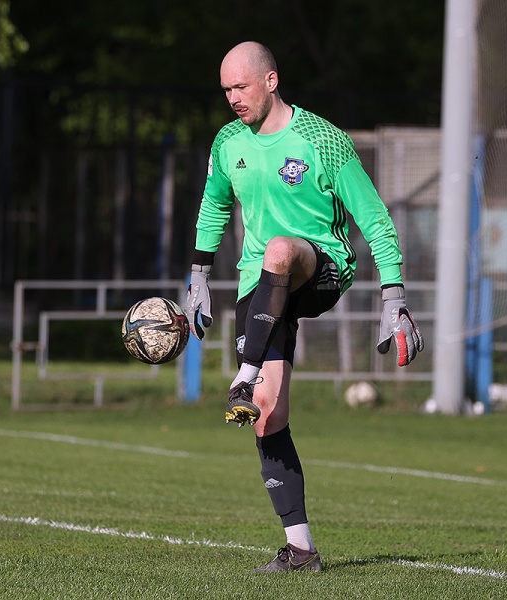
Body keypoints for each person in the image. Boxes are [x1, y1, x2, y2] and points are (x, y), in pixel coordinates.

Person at [185, 41, 423, 573]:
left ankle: (243, 374)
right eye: (225, 90)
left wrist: (394, 297)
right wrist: (199, 275)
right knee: (267, 416)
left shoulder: (323, 140)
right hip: (259, 284)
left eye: (241, 86)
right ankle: (301, 550)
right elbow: (214, 205)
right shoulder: (228, 142)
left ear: (270, 81)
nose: (233, 98)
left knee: (279, 248)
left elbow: (374, 219)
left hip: (322, 267)